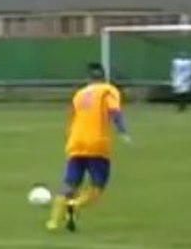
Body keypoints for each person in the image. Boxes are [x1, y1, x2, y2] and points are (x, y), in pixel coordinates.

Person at [46, 62, 131, 233]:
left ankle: (53, 222)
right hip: (97, 144)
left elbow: (72, 119)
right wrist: (123, 131)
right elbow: (114, 111)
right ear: (104, 77)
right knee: (97, 187)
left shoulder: (79, 94)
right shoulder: (108, 90)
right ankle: (74, 205)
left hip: (75, 143)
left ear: (88, 78)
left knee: (69, 184)